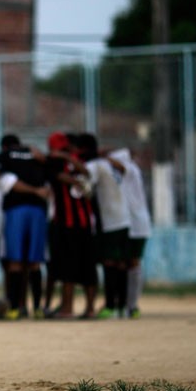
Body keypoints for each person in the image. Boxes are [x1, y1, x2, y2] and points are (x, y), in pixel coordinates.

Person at [42, 131, 98, 319]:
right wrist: (77, 179)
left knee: (71, 267)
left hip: (68, 223)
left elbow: (83, 174)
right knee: (84, 266)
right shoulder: (70, 161)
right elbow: (63, 176)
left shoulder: (61, 160)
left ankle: (69, 309)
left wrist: (68, 159)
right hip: (78, 222)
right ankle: (86, 308)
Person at [0, 134, 48, 320]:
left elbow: (4, 179)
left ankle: (15, 308)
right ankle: (38, 308)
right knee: (34, 263)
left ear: (4, 146)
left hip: (16, 210)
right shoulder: (37, 154)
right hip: (38, 210)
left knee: (15, 262)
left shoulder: (5, 156)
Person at [80, 134, 130, 319]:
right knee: (122, 263)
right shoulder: (109, 163)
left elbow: (85, 188)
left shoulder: (94, 165)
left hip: (109, 221)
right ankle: (122, 307)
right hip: (124, 218)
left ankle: (110, 306)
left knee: (110, 263)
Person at [112, 148, 152, 318]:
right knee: (124, 264)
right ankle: (123, 303)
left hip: (137, 225)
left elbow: (117, 165)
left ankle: (132, 304)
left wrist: (101, 157)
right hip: (128, 223)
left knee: (133, 263)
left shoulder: (131, 170)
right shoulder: (122, 177)